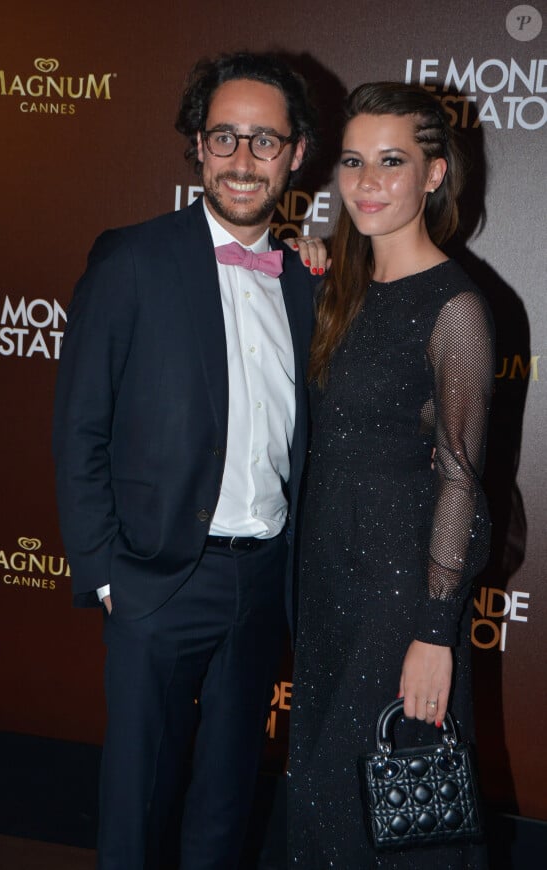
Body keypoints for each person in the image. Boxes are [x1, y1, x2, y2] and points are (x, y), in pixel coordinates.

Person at [52, 51, 325, 870]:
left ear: (297, 153)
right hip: (156, 579)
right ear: (198, 148)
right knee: (136, 802)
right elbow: (80, 428)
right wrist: (108, 575)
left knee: (227, 797)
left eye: (264, 142)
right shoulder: (132, 260)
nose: (243, 160)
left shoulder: (309, 281)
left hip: (262, 579)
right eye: (224, 138)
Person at [288, 81, 495, 869]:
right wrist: (310, 263)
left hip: (397, 593)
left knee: (380, 806)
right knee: (320, 786)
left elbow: (461, 479)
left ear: (434, 174)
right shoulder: (334, 286)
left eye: (392, 161)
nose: (368, 182)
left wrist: (434, 633)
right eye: (352, 161)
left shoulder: (457, 310)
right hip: (325, 578)